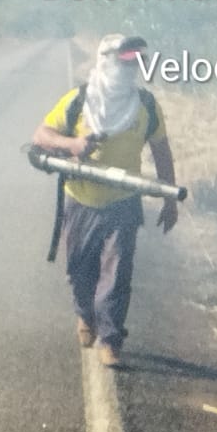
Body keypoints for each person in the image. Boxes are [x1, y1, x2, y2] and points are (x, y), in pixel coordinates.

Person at [31, 33, 179, 367]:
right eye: (124, 62)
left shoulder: (146, 106)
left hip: (124, 202)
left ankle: (111, 339)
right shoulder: (79, 100)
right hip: (80, 200)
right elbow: (41, 135)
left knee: (118, 270)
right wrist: (73, 146)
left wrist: (170, 200)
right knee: (80, 270)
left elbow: (161, 150)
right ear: (105, 60)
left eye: (135, 63)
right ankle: (86, 314)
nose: (130, 70)